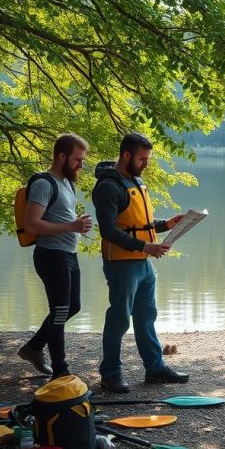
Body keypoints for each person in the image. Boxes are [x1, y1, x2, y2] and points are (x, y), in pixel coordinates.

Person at [92, 132, 189, 393]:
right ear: (126, 155)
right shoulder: (108, 187)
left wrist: (167, 224)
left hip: (143, 263)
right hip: (122, 264)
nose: (146, 164)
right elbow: (109, 231)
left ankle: (155, 369)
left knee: (147, 316)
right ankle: (110, 374)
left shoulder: (134, 181)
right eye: (142, 159)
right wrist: (146, 246)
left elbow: (139, 224)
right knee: (119, 319)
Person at [18, 134, 93, 379]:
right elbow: (31, 224)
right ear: (62, 157)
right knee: (60, 310)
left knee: (73, 306)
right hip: (51, 256)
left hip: (68, 255)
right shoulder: (43, 183)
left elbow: (61, 218)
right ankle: (61, 372)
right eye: (78, 160)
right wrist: (71, 227)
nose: (81, 165)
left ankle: (33, 348)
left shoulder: (67, 183)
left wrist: (75, 226)